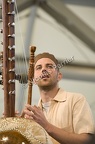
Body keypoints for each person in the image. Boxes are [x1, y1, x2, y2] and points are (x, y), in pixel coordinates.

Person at [22, 52, 95, 144]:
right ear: (34, 80)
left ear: (59, 76)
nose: (44, 69)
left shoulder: (76, 100)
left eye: (49, 66)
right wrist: (17, 125)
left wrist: (46, 126)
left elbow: (87, 141)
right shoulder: (33, 114)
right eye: (39, 67)